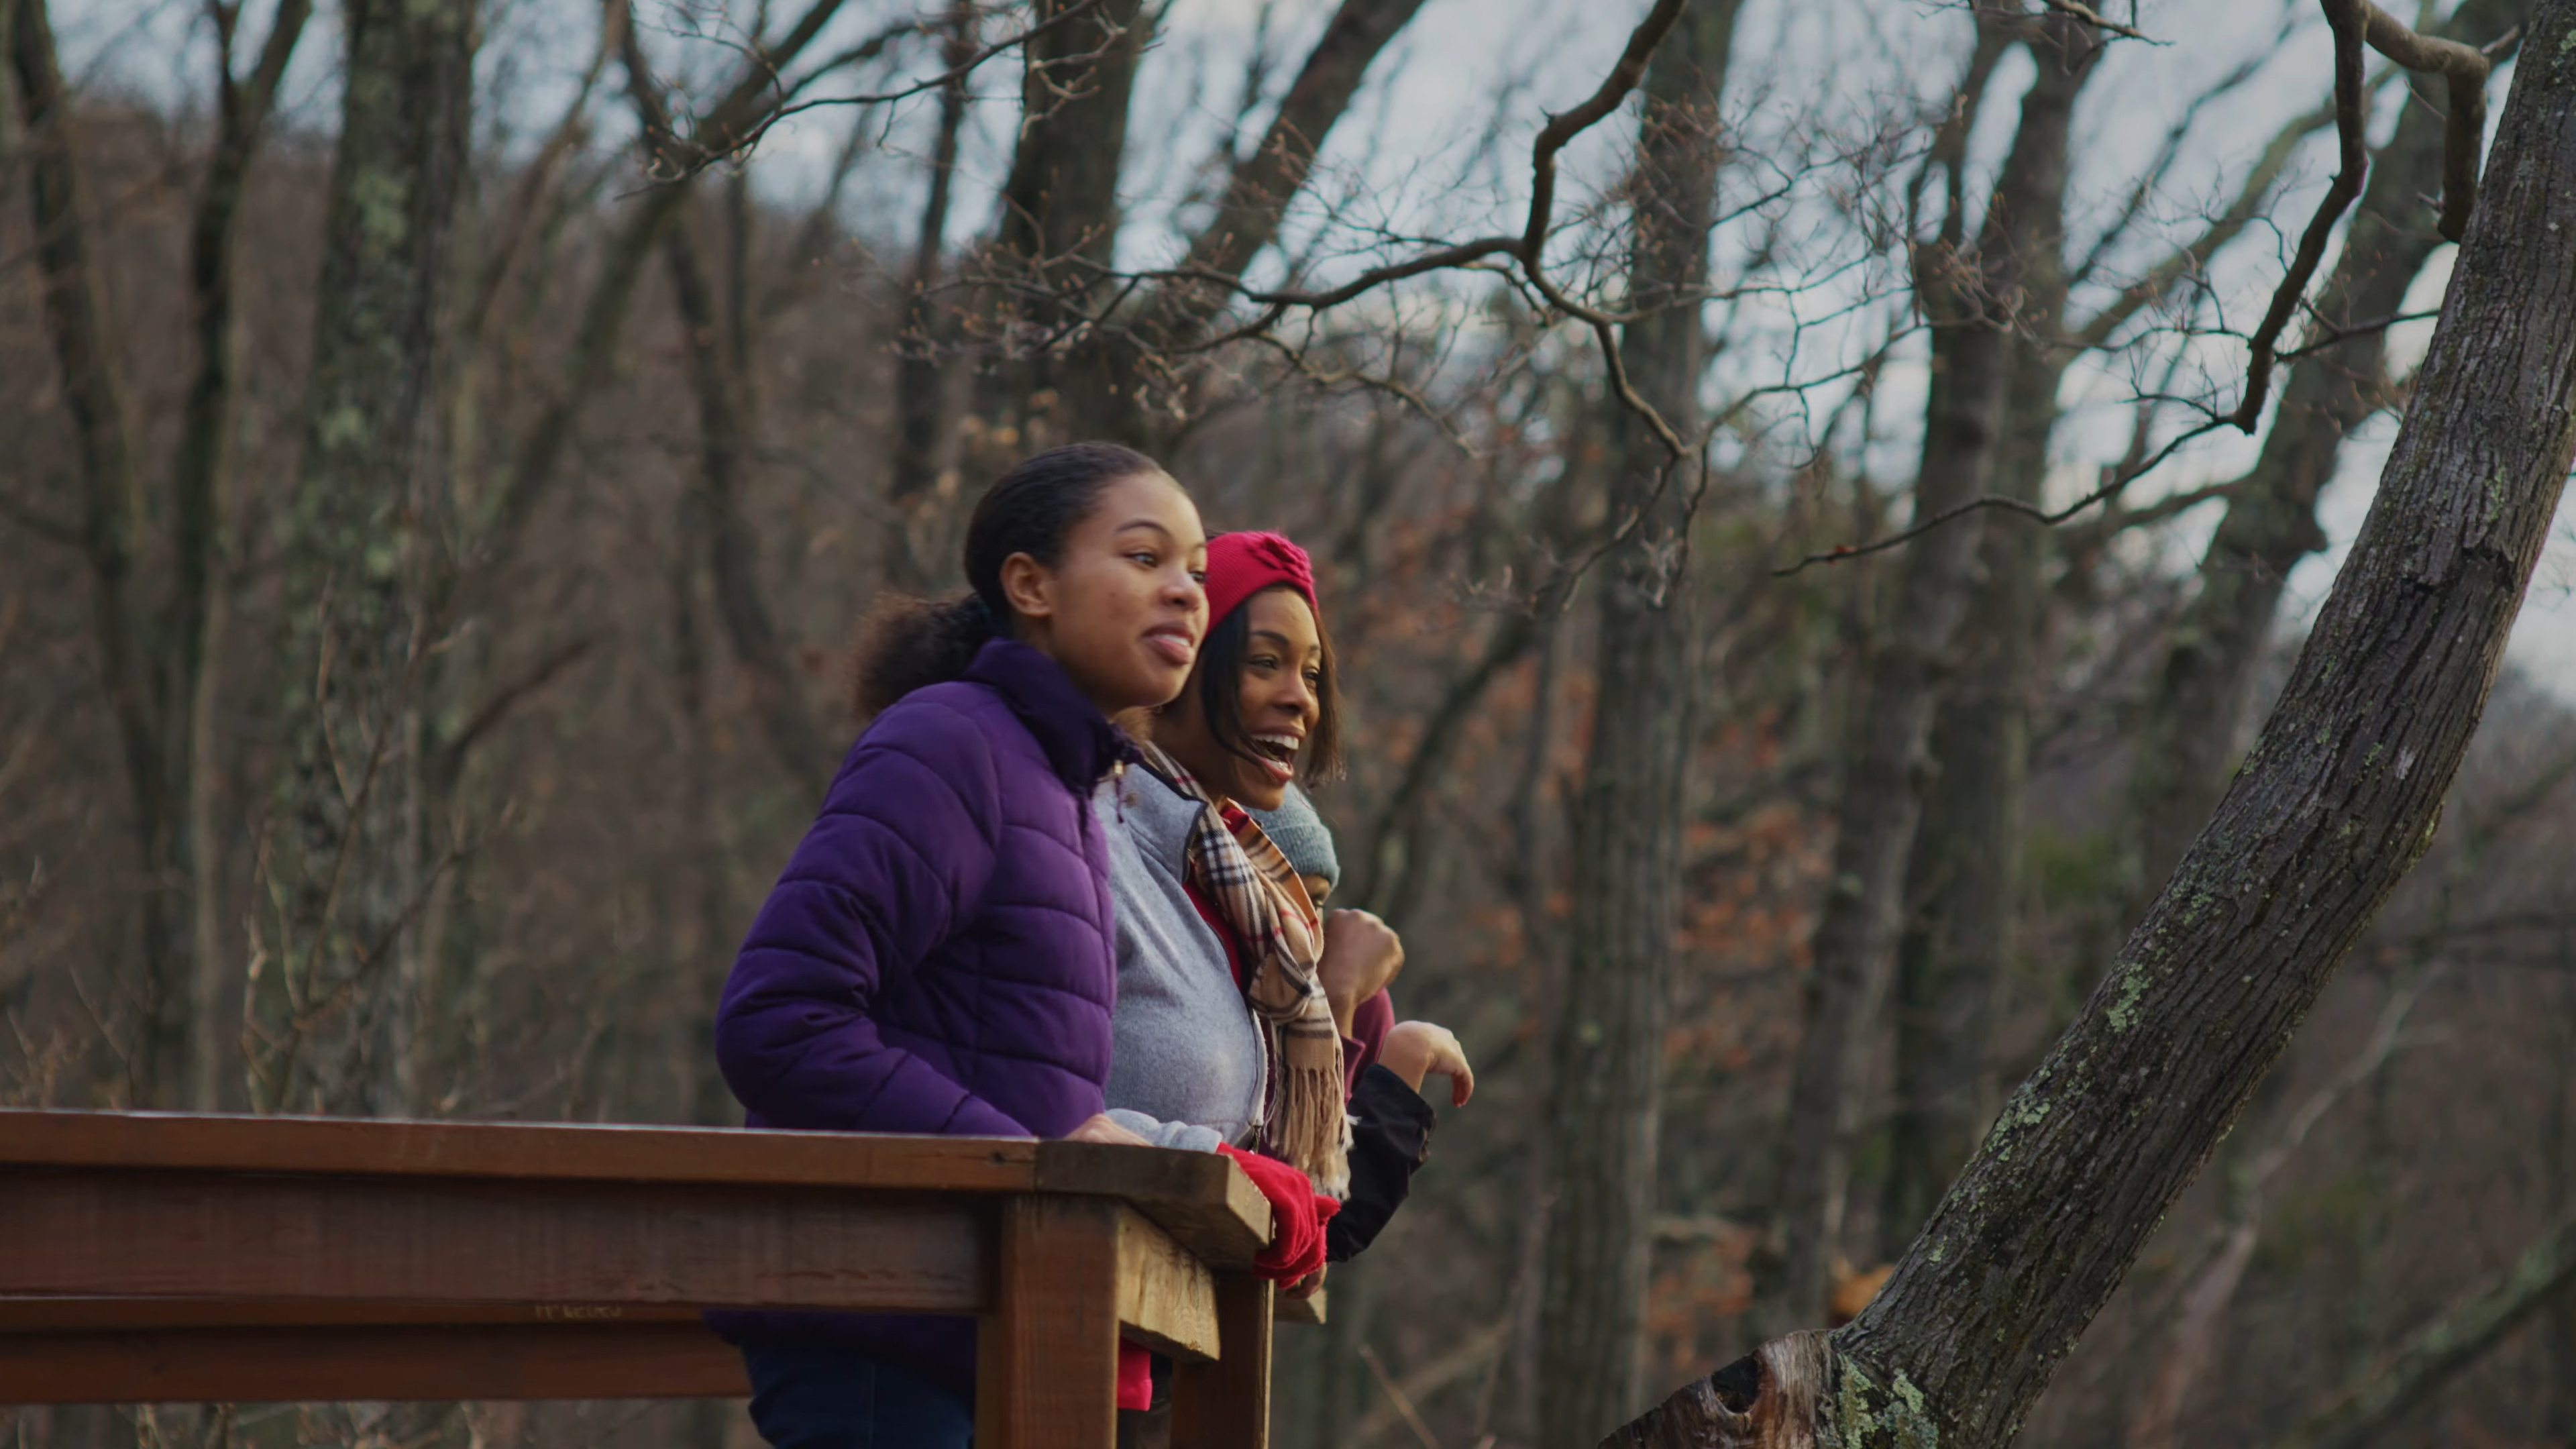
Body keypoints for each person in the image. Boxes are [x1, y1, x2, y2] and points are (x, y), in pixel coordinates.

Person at [704, 445, 1330, 1449]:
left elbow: (1004, 1068)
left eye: (1195, 572)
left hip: (994, 1322)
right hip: (883, 1329)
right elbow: (779, 1022)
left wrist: (1079, 1140)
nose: (1185, 591)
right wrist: (1032, 1157)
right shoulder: (952, 742)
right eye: (1144, 558)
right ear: (1031, 585)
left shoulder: (1067, 788)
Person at [1097, 531, 1474, 1433]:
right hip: (1040, 1312)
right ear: (1181, 662)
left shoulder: (1243, 895)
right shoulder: (1104, 833)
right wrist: (1339, 1006)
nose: (1302, 697)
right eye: (1264, 661)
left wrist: (1382, 1049)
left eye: (1311, 672)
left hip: (1144, 1340)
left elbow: (1311, 1220)